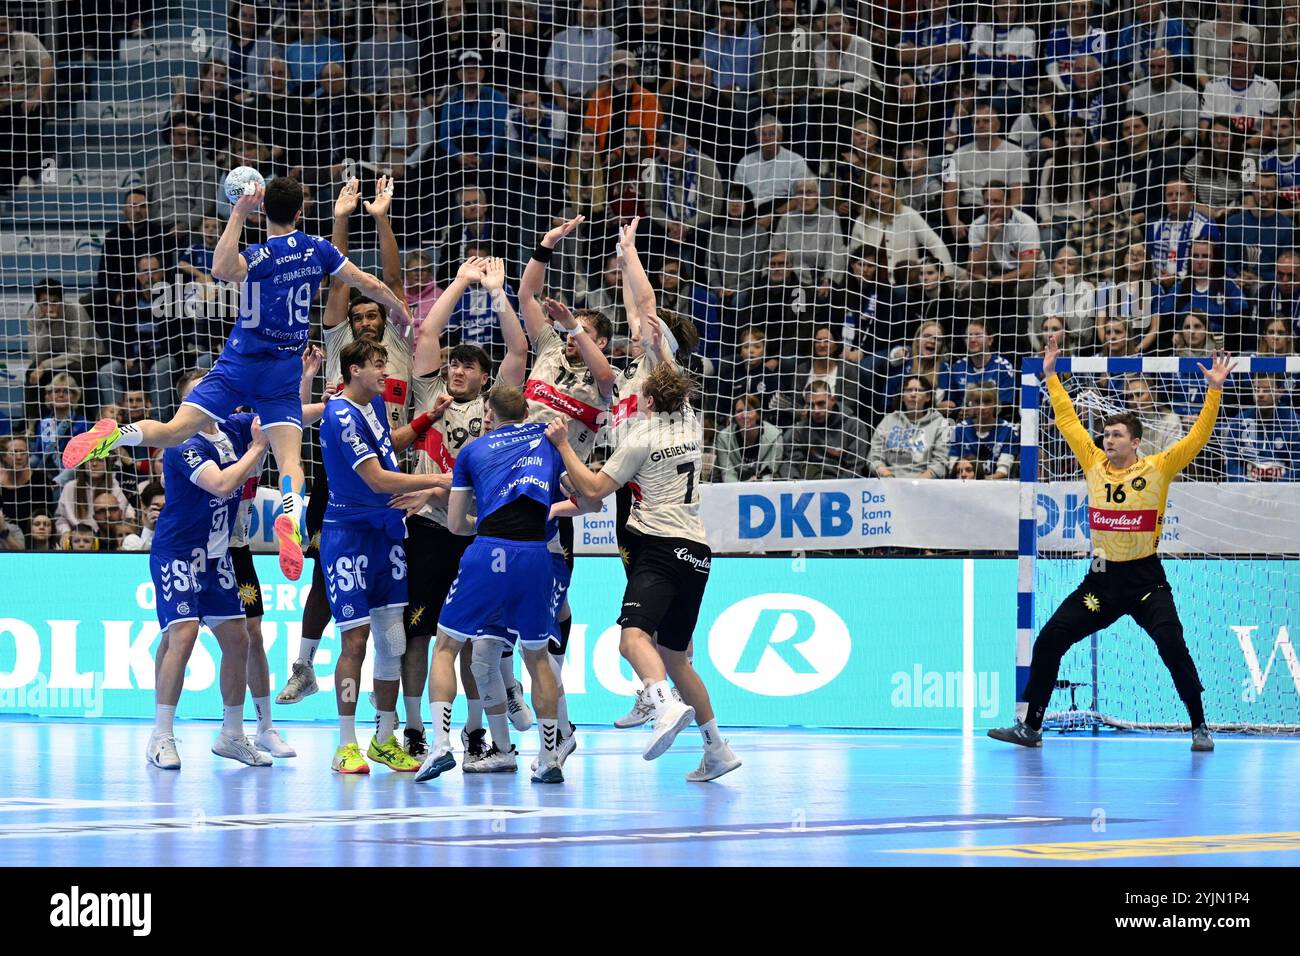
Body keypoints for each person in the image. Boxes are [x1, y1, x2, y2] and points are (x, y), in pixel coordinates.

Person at [63, 176, 413, 584]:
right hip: (282, 370)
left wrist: (238, 212)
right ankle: (290, 517)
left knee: (175, 432)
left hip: (240, 362)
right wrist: (399, 307)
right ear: (301, 213)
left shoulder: (260, 254)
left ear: (264, 211)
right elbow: (366, 282)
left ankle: (115, 433)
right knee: (288, 460)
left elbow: (220, 268)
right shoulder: (319, 249)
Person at [989, 335, 1234, 751]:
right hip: (1100, 585)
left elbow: (1196, 438)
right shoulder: (1093, 463)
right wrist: (1051, 377)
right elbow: (1068, 421)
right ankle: (1031, 727)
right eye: (1105, 434)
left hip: (1145, 583)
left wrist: (1214, 391)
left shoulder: (1159, 468)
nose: (1108, 439)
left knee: (1172, 643)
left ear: (1135, 441)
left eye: (1117, 435)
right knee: (1049, 640)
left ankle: (1199, 726)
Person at [547, 363, 742, 781]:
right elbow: (673, 380)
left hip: (660, 547)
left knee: (631, 639)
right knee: (676, 657)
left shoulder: (640, 438)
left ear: (649, 402)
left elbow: (596, 489)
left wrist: (564, 446)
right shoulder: (693, 423)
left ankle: (662, 704)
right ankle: (717, 749)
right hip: (699, 552)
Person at [399, 255, 531, 763]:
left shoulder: (496, 404)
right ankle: (415, 730)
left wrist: (497, 292)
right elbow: (427, 333)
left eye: (468, 365)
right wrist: (457, 281)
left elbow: (518, 348)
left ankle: (478, 733)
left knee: (482, 639)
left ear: (483, 378)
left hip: (479, 533)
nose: (456, 369)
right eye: (454, 363)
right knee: (418, 633)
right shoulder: (432, 393)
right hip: (430, 529)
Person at [412, 384, 567, 784]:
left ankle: (442, 746)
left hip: (489, 550)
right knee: (537, 659)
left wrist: (481, 525)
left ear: (488, 413)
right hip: (536, 556)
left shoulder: (473, 451)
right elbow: (588, 498)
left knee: (446, 647)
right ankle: (549, 756)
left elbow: (455, 523)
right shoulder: (549, 441)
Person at [318, 338, 450, 774]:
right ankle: (345, 744)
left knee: (393, 641)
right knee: (355, 640)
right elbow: (375, 478)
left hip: (387, 534)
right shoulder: (339, 414)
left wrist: (428, 418)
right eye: (377, 365)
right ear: (354, 369)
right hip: (350, 536)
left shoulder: (372, 408)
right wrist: (436, 483)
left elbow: (387, 447)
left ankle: (384, 738)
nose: (384, 372)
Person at [145, 404, 273, 770]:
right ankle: (162, 736)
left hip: (216, 559)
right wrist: (257, 449)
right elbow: (220, 483)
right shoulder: (183, 443)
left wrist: (332, 403)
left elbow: (286, 416)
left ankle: (232, 735)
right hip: (179, 554)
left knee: (239, 640)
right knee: (182, 635)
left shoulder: (230, 427)